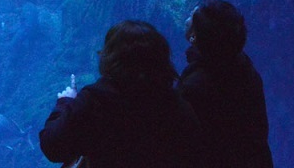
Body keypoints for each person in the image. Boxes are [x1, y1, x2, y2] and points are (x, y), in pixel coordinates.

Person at [39, 20, 201, 168]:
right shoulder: (175, 103)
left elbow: (53, 147)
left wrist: (66, 103)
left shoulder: (95, 100)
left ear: (110, 57)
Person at [179, 0, 274, 168]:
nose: (186, 19)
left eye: (192, 16)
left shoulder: (195, 87)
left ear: (195, 35)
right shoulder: (247, 72)